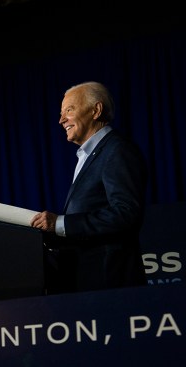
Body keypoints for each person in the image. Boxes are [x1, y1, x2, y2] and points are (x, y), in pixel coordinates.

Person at [30, 81, 147, 293]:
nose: (61, 119)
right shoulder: (89, 155)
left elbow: (126, 213)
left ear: (96, 110)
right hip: (85, 283)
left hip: (110, 284)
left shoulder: (116, 150)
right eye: (61, 112)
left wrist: (60, 223)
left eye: (69, 110)